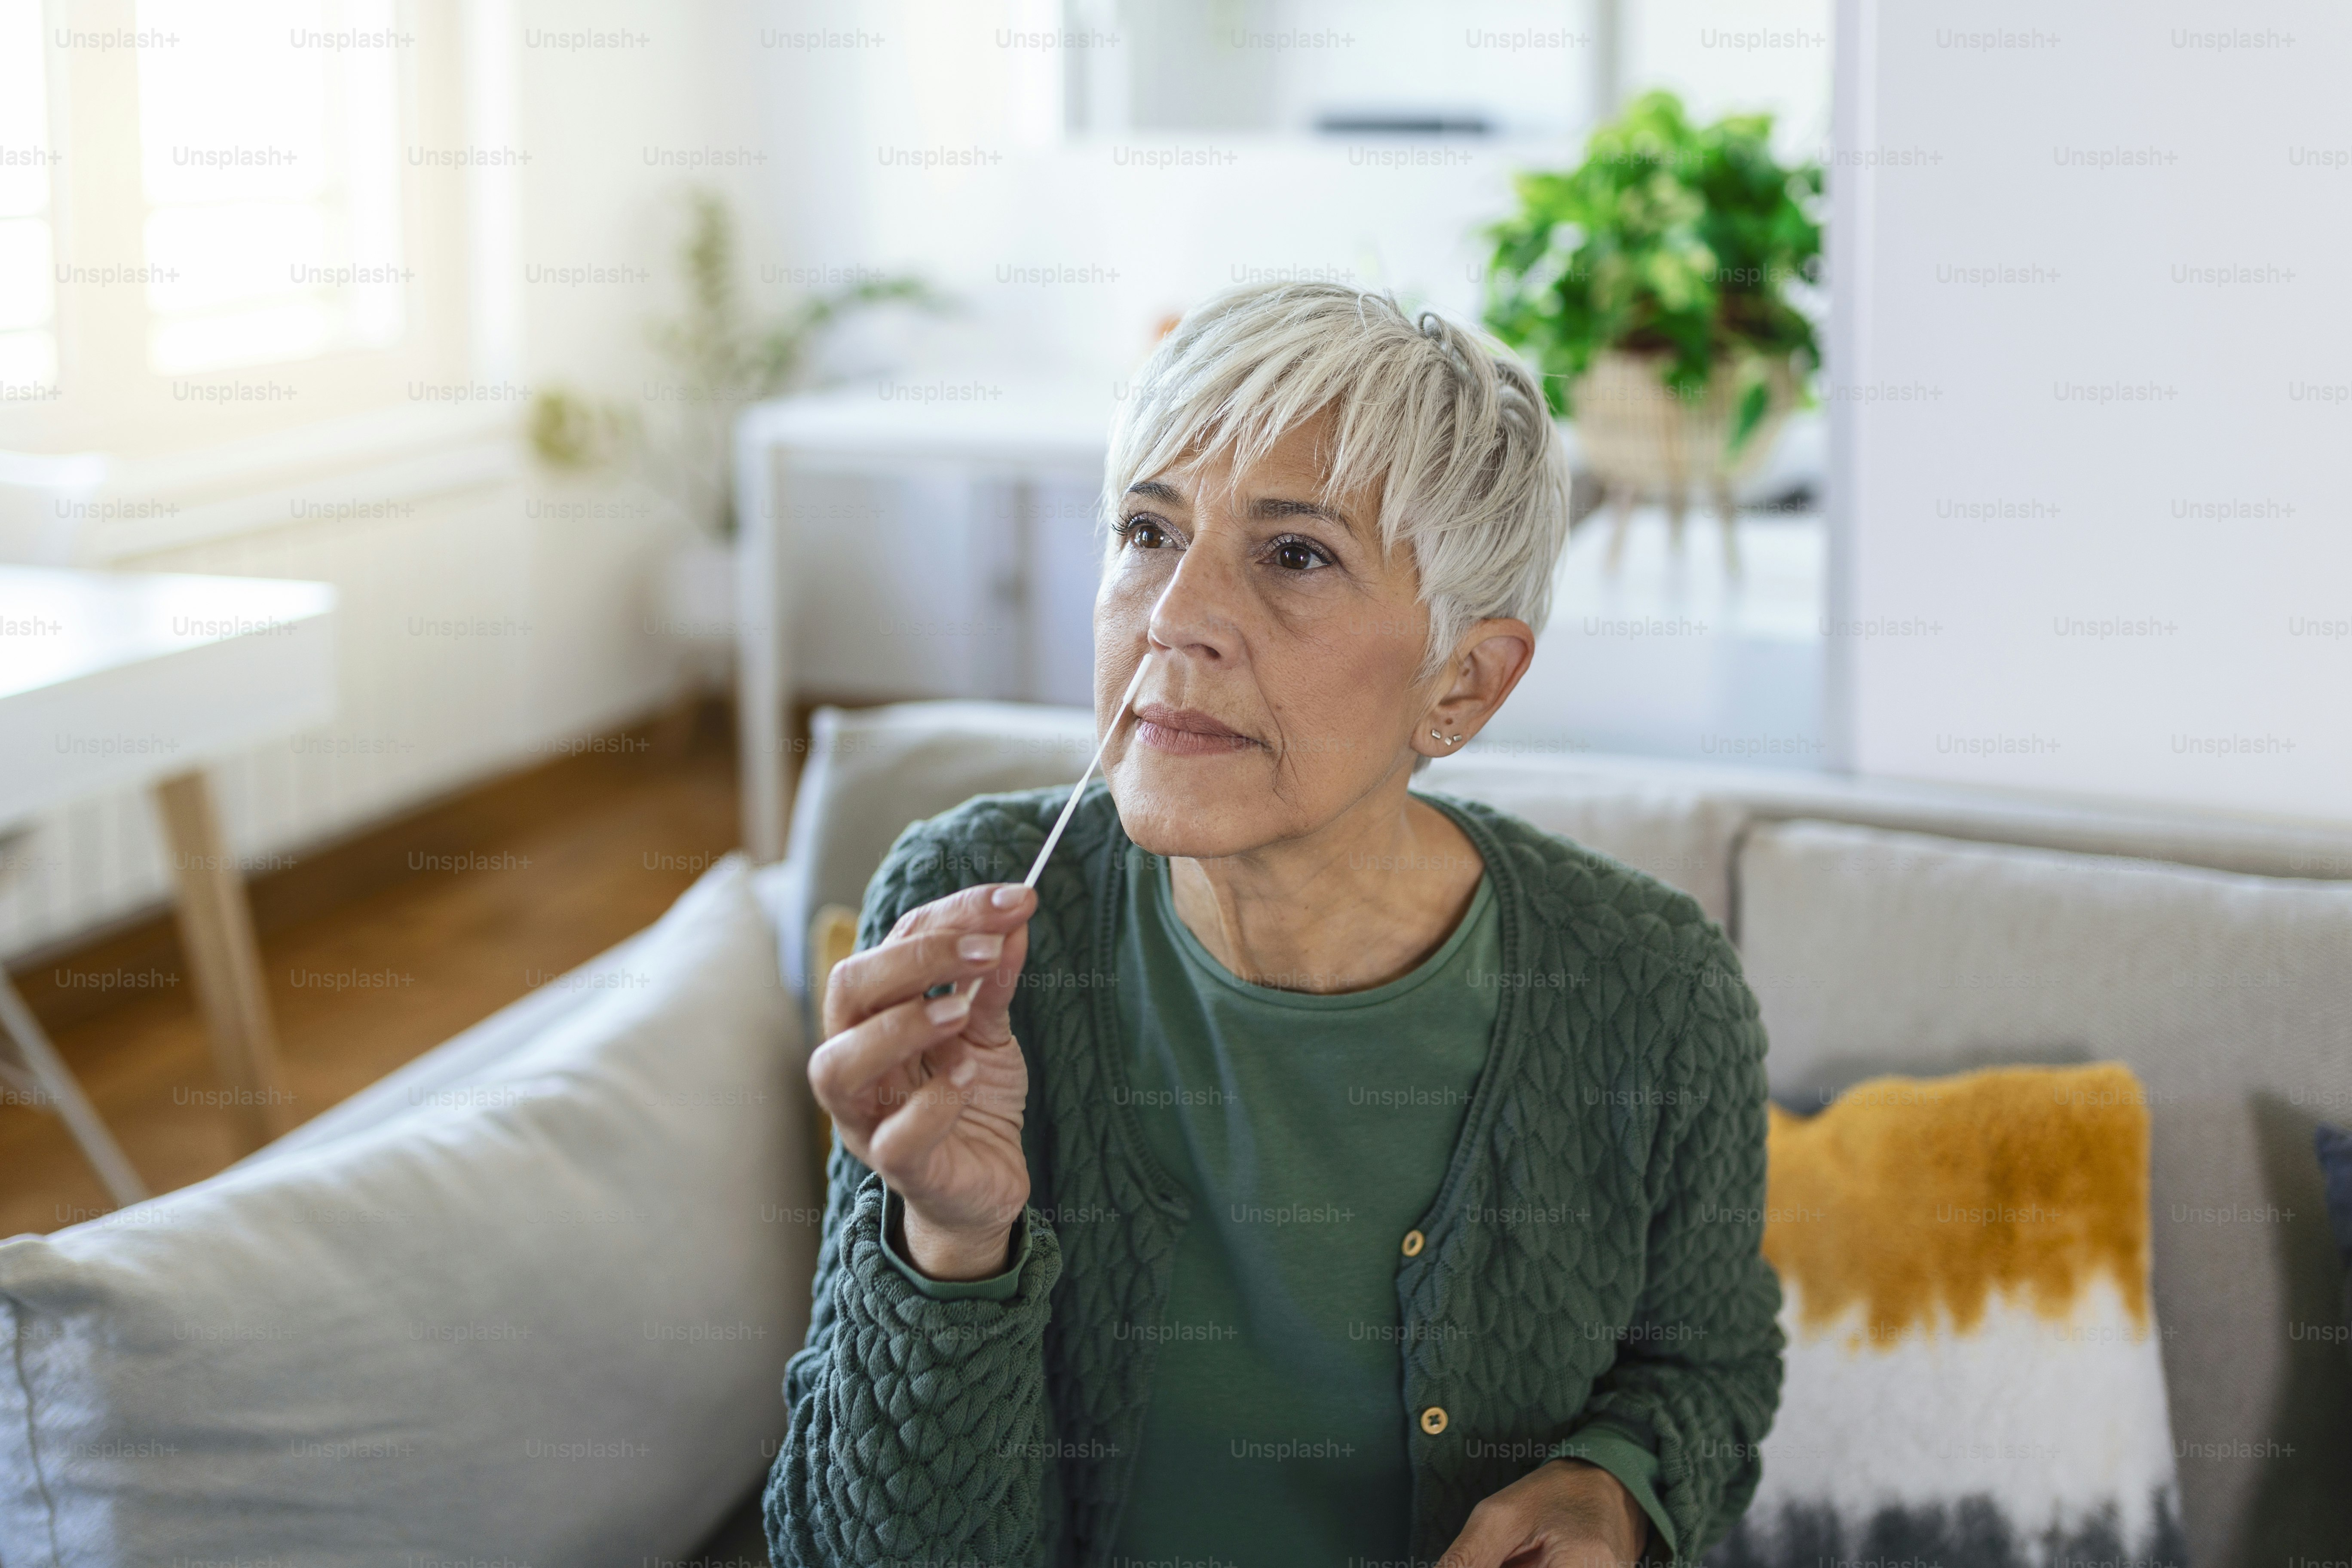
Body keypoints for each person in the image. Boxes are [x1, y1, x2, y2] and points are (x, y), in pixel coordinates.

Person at [766, 281, 1782, 1568]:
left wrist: (1618, 1486)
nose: (1174, 616)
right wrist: (951, 1246)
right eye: (1147, 531)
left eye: (1296, 554)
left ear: (1464, 681)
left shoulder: (1652, 989)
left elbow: (1710, 1365)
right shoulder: (965, 902)